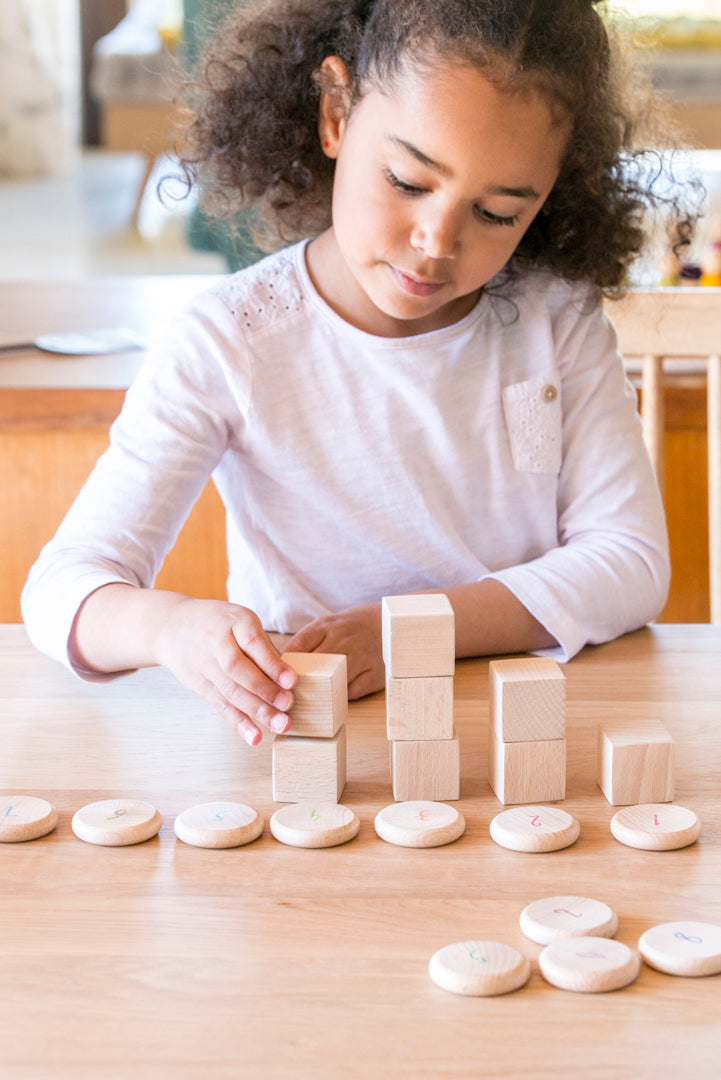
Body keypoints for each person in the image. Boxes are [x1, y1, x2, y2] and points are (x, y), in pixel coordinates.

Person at [23, 0, 696, 747]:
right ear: (336, 113)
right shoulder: (229, 341)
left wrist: (410, 632)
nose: (436, 242)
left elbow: (629, 562)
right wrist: (172, 629)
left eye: (498, 213)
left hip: (523, 726)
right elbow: (61, 591)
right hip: (319, 736)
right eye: (408, 181)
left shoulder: (556, 318)